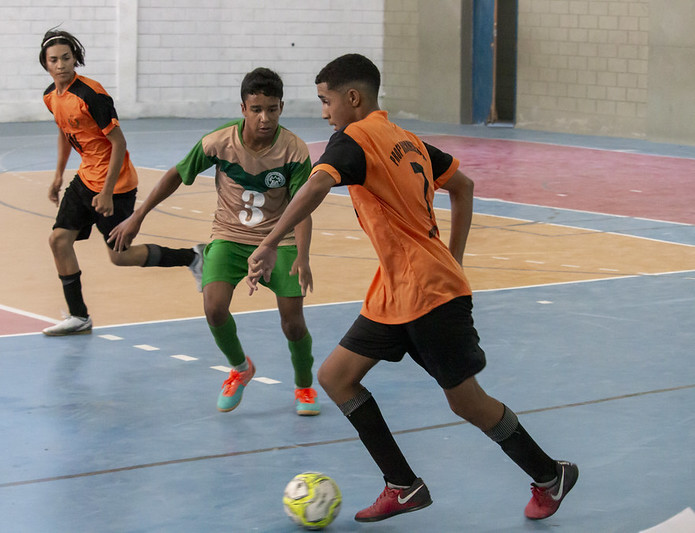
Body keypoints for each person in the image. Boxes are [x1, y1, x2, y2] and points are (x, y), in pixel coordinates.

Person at [247, 54, 577, 522]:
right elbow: (463, 186)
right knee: (336, 377)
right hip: (398, 291)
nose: (325, 112)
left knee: (467, 401)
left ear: (353, 98)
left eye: (326, 101)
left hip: (426, 294)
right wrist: (453, 258)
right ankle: (402, 486)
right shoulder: (407, 140)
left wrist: (270, 240)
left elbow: (317, 186)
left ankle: (549, 475)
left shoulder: (355, 139)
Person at [108, 67, 320, 416]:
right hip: (229, 237)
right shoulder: (219, 142)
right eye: (256, 109)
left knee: (292, 321)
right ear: (243, 108)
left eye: (272, 109)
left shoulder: (294, 151)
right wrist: (138, 216)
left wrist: (304, 255)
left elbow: (301, 208)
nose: (264, 118)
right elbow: (177, 174)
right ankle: (240, 367)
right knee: (214, 307)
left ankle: (304, 386)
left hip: (277, 240)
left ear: (281, 107)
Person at [39, 28, 202, 336]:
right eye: (54, 60)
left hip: (116, 185)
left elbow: (118, 143)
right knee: (58, 241)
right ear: (45, 64)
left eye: (66, 58)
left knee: (120, 256)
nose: (60, 65)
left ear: (75, 59)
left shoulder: (91, 95)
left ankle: (193, 257)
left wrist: (106, 192)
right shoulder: (51, 96)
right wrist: (59, 175)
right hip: (86, 178)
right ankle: (79, 317)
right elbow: (65, 131)